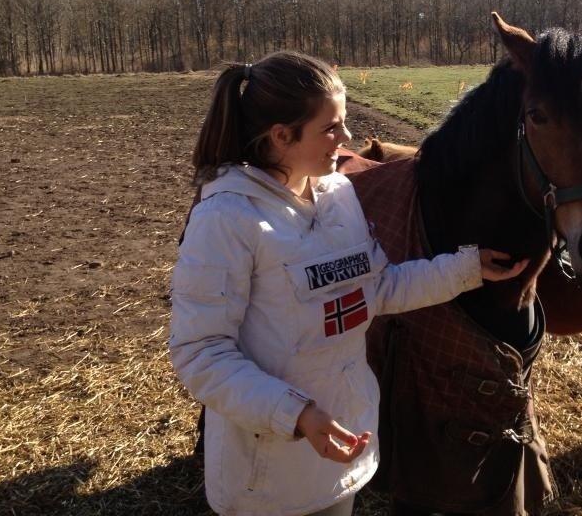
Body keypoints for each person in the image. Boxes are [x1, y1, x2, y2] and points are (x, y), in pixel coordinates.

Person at [169, 52, 527, 516]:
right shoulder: (226, 219)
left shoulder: (338, 196)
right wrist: (296, 414)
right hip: (267, 473)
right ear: (281, 136)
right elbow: (201, 354)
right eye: (331, 128)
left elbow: (378, 288)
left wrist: (466, 269)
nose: (348, 138)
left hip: (342, 443)